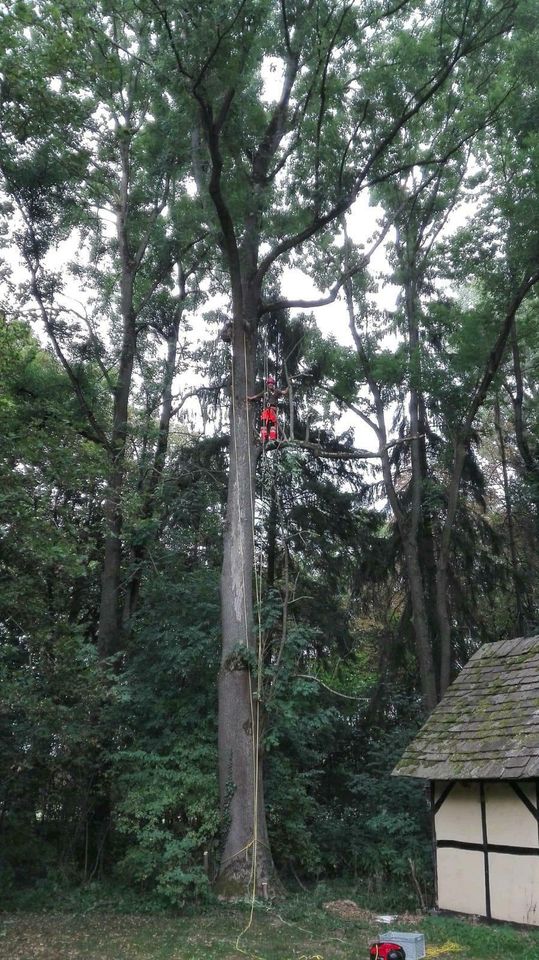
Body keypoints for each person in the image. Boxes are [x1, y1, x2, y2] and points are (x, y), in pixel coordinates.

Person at [248, 375, 288, 442]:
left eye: (271, 384)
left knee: (272, 423)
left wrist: (288, 387)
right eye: (269, 383)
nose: (270, 385)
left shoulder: (276, 391)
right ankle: (264, 437)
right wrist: (250, 398)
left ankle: (272, 438)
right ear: (267, 384)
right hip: (266, 409)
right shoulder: (265, 392)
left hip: (273, 409)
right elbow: (257, 396)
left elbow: (284, 392)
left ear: (273, 384)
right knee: (264, 423)